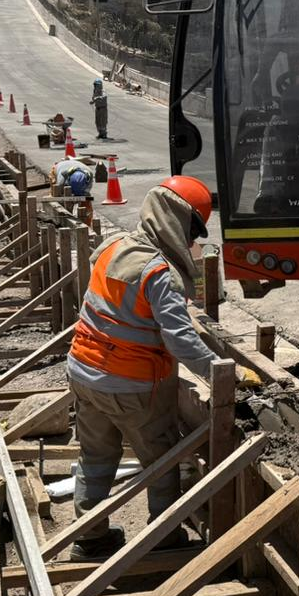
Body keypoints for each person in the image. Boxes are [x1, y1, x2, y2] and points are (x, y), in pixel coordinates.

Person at [65, 175, 218, 560]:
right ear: (176, 219)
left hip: (83, 370)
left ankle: (90, 537)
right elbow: (181, 342)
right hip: (130, 384)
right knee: (161, 458)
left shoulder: (113, 245)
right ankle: (164, 538)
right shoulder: (158, 273)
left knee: (96, 456)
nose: (191, 239)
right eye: (191, 229)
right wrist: (224, 373)